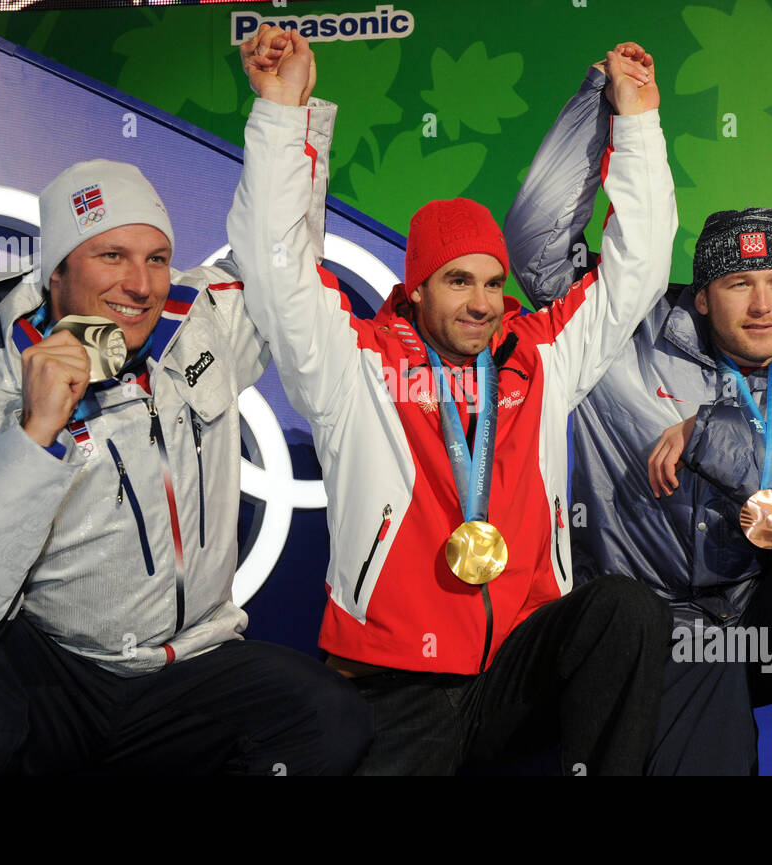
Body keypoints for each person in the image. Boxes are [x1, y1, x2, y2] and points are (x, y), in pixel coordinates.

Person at [229, 30, 678, 775]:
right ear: (417, 288)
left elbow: (638, 269)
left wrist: (636, 125)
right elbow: (276, 267)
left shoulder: (540, 356)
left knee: (626, 611)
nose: (482, 303)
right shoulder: (356, 361)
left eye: (493, 281)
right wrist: (283, 115)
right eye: (458, 281)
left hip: (515, 673)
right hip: (395, 681)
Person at [0, 131, 372, 773]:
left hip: (187, 670)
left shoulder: (203, 326)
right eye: (112, 256)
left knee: (326, 718)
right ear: (55, 274)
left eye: (158, 258)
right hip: (61, 679)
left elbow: (282, 262)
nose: (141, 285)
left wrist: (283, 114)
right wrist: (32, 438)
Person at [504, 65, 772, 775]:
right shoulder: (623, 333)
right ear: (700, 297)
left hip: (760, 615)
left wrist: (722, 436)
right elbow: (539, 250)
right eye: (738, 284)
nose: (763, 305)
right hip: (649, 624)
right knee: (704, 671)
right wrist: (611, 110)